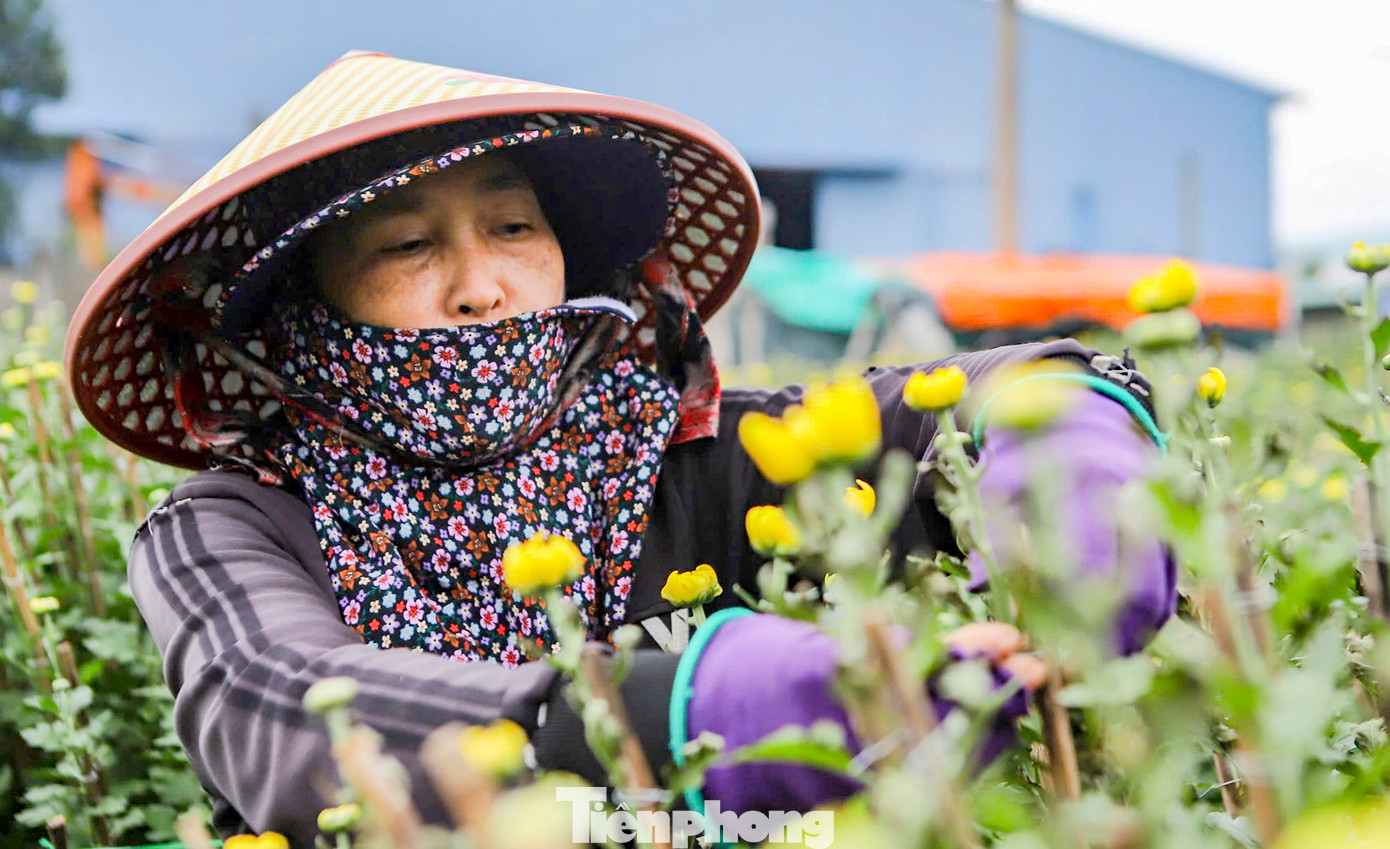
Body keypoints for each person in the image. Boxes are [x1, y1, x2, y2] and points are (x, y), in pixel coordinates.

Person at [62, 52, 1175, 844]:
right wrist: (699, 706)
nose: (482, 287)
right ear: (298, 308)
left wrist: (1062, 442)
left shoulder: (676, 450)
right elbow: (282, 707)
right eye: (406, 243)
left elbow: (940, 403)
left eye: (512, 227)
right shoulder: (232, 528)